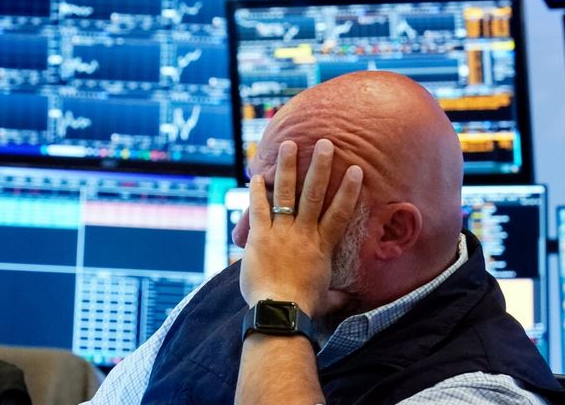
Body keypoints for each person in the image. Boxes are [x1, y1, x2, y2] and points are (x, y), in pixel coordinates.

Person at [82, 71, 565, 405]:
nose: (246, 234)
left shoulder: (482, 389)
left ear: (393, 232)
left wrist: (279, 311)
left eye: (290, 207)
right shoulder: (238, 288)